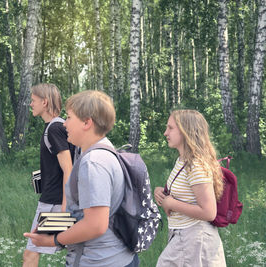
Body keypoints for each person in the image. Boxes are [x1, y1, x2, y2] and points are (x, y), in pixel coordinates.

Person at [24, 90, 139, 267]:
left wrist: (53, 240)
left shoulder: (94, 163)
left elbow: (96, 225)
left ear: (87, 123)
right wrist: (50, 225)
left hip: (100, 261)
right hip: (116, 258)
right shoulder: (106, 150)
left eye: (69, 118)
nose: (64, 125)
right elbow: (88, 213)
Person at [154, 109, 226, 267]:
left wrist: (171, 204)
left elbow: (209, 212)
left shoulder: (196, 165)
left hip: (195, 238)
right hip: (183, 235)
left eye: (171, 128)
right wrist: (161, 192)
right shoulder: (183, 160)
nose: (166, 133)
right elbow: (185, 193)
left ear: (186, 131)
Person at [23, 83, 74, 267]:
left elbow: (68, 168)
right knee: (75, 250)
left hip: (53, 204)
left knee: (31, 253)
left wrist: (65, 207)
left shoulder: (54, 129)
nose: (30, 104)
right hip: (55, 200)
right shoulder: (57, 126)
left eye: (33, 100)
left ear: (45, 102)